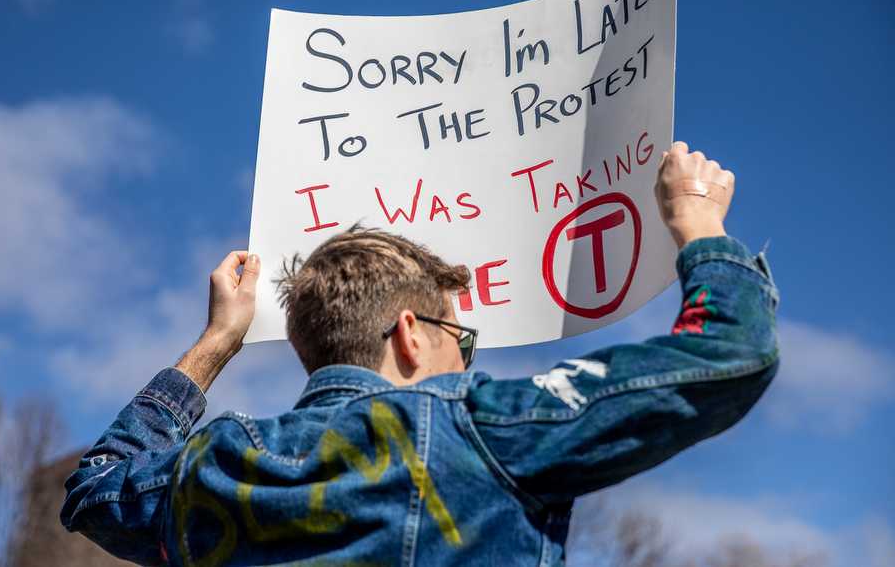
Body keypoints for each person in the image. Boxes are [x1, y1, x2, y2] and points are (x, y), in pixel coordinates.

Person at [61, 142, 779, 566]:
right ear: (410, 333)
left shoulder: (213, 466)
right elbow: (733, 352)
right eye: (460, 339)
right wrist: (699, 225)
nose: (467, 363)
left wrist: (217, 342)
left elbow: (97, 487)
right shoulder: (477, 431)